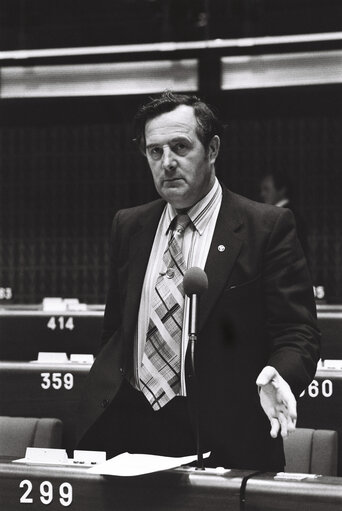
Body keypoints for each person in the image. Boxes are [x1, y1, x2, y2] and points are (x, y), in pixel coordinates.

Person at [76, 91, 320, 471]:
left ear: (212, 149)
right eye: (154, 152)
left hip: (225, 438)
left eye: (180, 147)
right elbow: (117, 329)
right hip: (131, 432)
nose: (167, 162)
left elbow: (297, 331)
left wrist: (283, 374)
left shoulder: (266, 227)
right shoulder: (129, 225)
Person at [260, 172, 310, 262]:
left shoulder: (289, 217)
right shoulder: (281, 214)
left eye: (266, 189)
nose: (262, 194)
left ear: (282, 190)